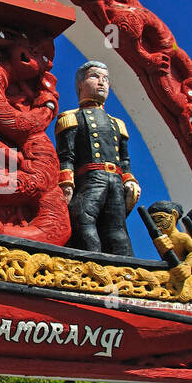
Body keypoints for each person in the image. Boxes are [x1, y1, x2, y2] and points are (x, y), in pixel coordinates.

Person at [55, 61, 140, 255]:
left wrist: (130, 180)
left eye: (106, 79)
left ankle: (127, 271)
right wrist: (67, 184)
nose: (102, 83)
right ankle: (90, 265)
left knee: (117, 229)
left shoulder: (117, 123)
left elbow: (124, 160)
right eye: (94, 77)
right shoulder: (70, 117)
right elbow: (66, 155)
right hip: (90, 179)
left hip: (115, 181)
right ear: (80, 84)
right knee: (84, 220)